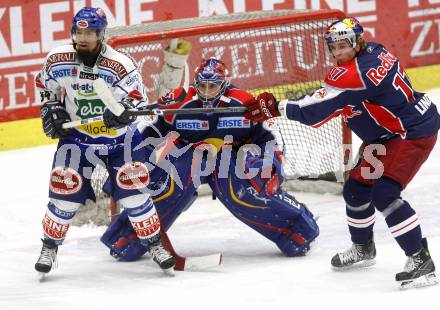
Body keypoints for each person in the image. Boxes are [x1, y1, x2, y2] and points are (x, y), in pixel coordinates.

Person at [243, 17, 439, 289]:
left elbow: (315, 112)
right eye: (333, 46)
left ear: (357, 42)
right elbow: (339, 103)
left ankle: (421, 260)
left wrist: (278, 106)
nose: (337, 52)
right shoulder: (375, 50)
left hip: (410, 133)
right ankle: (363, 248)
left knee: (385, 193)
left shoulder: (351, 76)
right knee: (356, 189)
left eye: (343, 45)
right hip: (389, 132)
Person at [101, 57, 319, 261]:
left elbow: (271, 135)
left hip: (231, 159)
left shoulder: (244, 102)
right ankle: (127, 238)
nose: (206, 92)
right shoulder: (179, 99)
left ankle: (298, 228)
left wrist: (273, 163)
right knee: (168, 189)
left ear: (223, 85)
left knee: (241, 192)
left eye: (212, 86)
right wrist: (128, 162)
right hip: (188, 157)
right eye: (201, 86)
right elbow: (145, 127)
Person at [34, 6, 175, 276]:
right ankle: (49, 247)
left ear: (102, 35)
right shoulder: (57, 59)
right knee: (64, 195)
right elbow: (44, 86)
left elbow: (137, 100)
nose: (83, 38)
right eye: (79, 32)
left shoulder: (120, 64)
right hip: (77, 140)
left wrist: (122, 113)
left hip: (121, 141)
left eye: (90, 32)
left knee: (134, 195)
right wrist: (50, 108)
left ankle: (155, 245)